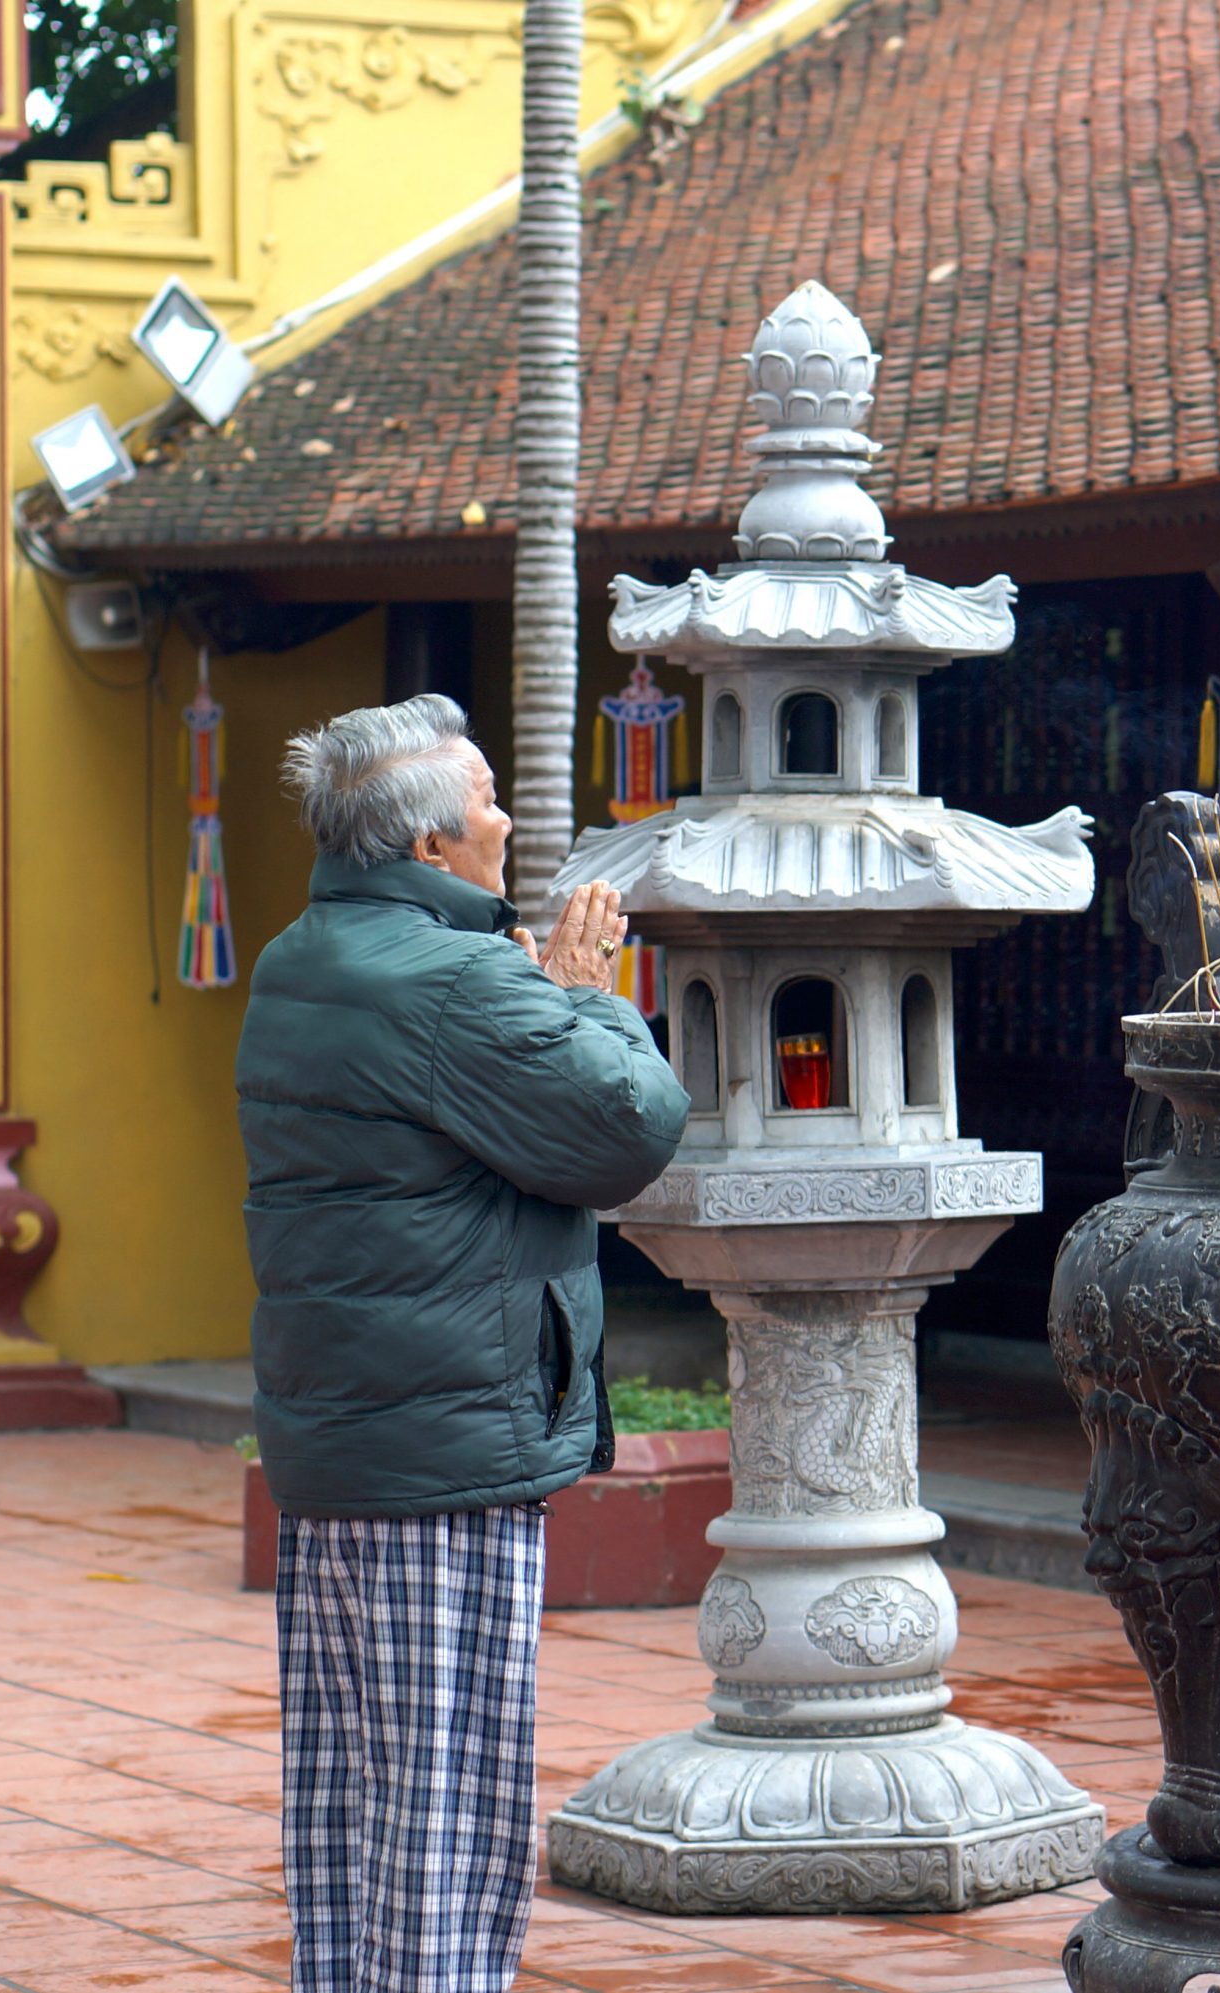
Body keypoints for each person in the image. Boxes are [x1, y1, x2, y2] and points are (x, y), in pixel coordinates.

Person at [238, 694, 688, 1991]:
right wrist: (590, 996)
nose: (508, 816)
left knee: (346, 1815)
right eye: (486, 796)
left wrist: (536, 989)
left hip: (338, 1450)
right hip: (448, 1453)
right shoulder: (455, 977)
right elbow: (626, 1125)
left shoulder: (299, 957)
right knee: (451, 1824)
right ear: (432, 850)